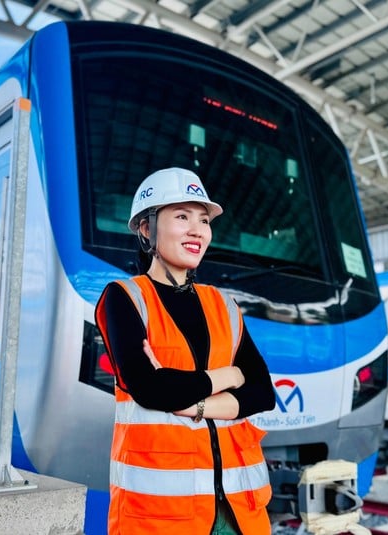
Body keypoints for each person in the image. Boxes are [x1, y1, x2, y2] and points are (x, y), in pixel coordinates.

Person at [95, 167, 276, 535]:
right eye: (181, 216)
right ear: (146, 228)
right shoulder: (126, 298)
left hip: (238, 513)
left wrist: (193, 402)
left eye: (204, 220)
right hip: (161, 517)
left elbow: (262, 392)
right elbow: (150, 388)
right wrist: (229, 376)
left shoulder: (223, 305)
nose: (197, 230)